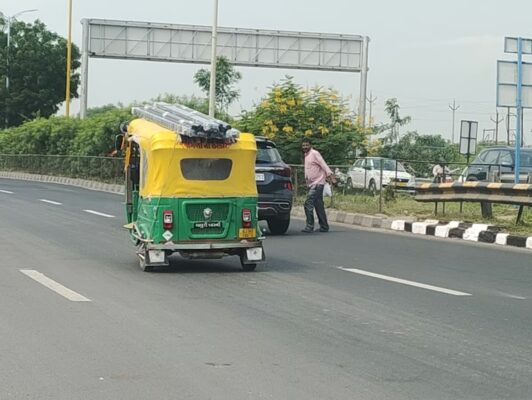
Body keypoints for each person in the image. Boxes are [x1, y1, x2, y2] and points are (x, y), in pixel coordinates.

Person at [301, 138, 337, 233]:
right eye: (303, 145)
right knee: (318, 205)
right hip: (311, 184)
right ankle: (324, 226)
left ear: (310, 145)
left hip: (318, 183)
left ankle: (309, 226)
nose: (305, 147)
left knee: (308, 204)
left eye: (306, 145)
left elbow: (324, 165)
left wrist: (331, 176)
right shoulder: (306, 155)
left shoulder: (315, 154)